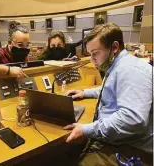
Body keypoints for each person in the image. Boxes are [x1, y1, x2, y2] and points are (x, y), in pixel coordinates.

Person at [64, 23, 152, 166]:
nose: (92, 59)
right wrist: (85, 92)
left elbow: (132, 119)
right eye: (90, 54)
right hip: (120, 140)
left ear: (115, 47)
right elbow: (113, 89)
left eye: (95, 53)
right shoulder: (119, 65)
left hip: (131, 149)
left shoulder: (131, 70)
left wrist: (87, 129)